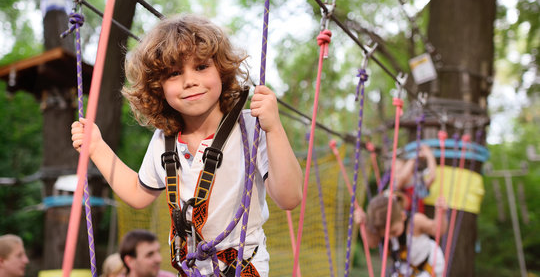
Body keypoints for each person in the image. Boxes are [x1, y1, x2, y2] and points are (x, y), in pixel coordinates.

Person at [72, 14, 303, 276]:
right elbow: (138, 193)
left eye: (201, 67)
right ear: (158, 87)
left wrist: (274, 128)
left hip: (243, 267)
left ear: (222, 71)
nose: (189, 80)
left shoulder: (250, 127)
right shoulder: (165, 139)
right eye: (174, 73)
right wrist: (97, 147)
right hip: (192, 268)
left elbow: (290, 197)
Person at [356, 192, 448, 277]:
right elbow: (372, 243)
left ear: (403, 216)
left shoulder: (415, 223)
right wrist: (365, 226)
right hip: (407, 269)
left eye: (393, 232)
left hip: (429, 265)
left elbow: (438, 230)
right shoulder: (384, 229)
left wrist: (441, 213)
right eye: (386, 235)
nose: (391, 237)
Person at [394, 144, 437, 213]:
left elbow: (432, 177)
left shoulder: (418, 185)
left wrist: (429, 155)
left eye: (399, 171)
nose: (396, 176)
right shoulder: (396, 190)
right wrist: (414, 158)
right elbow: (402, 177)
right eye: (395, 173)